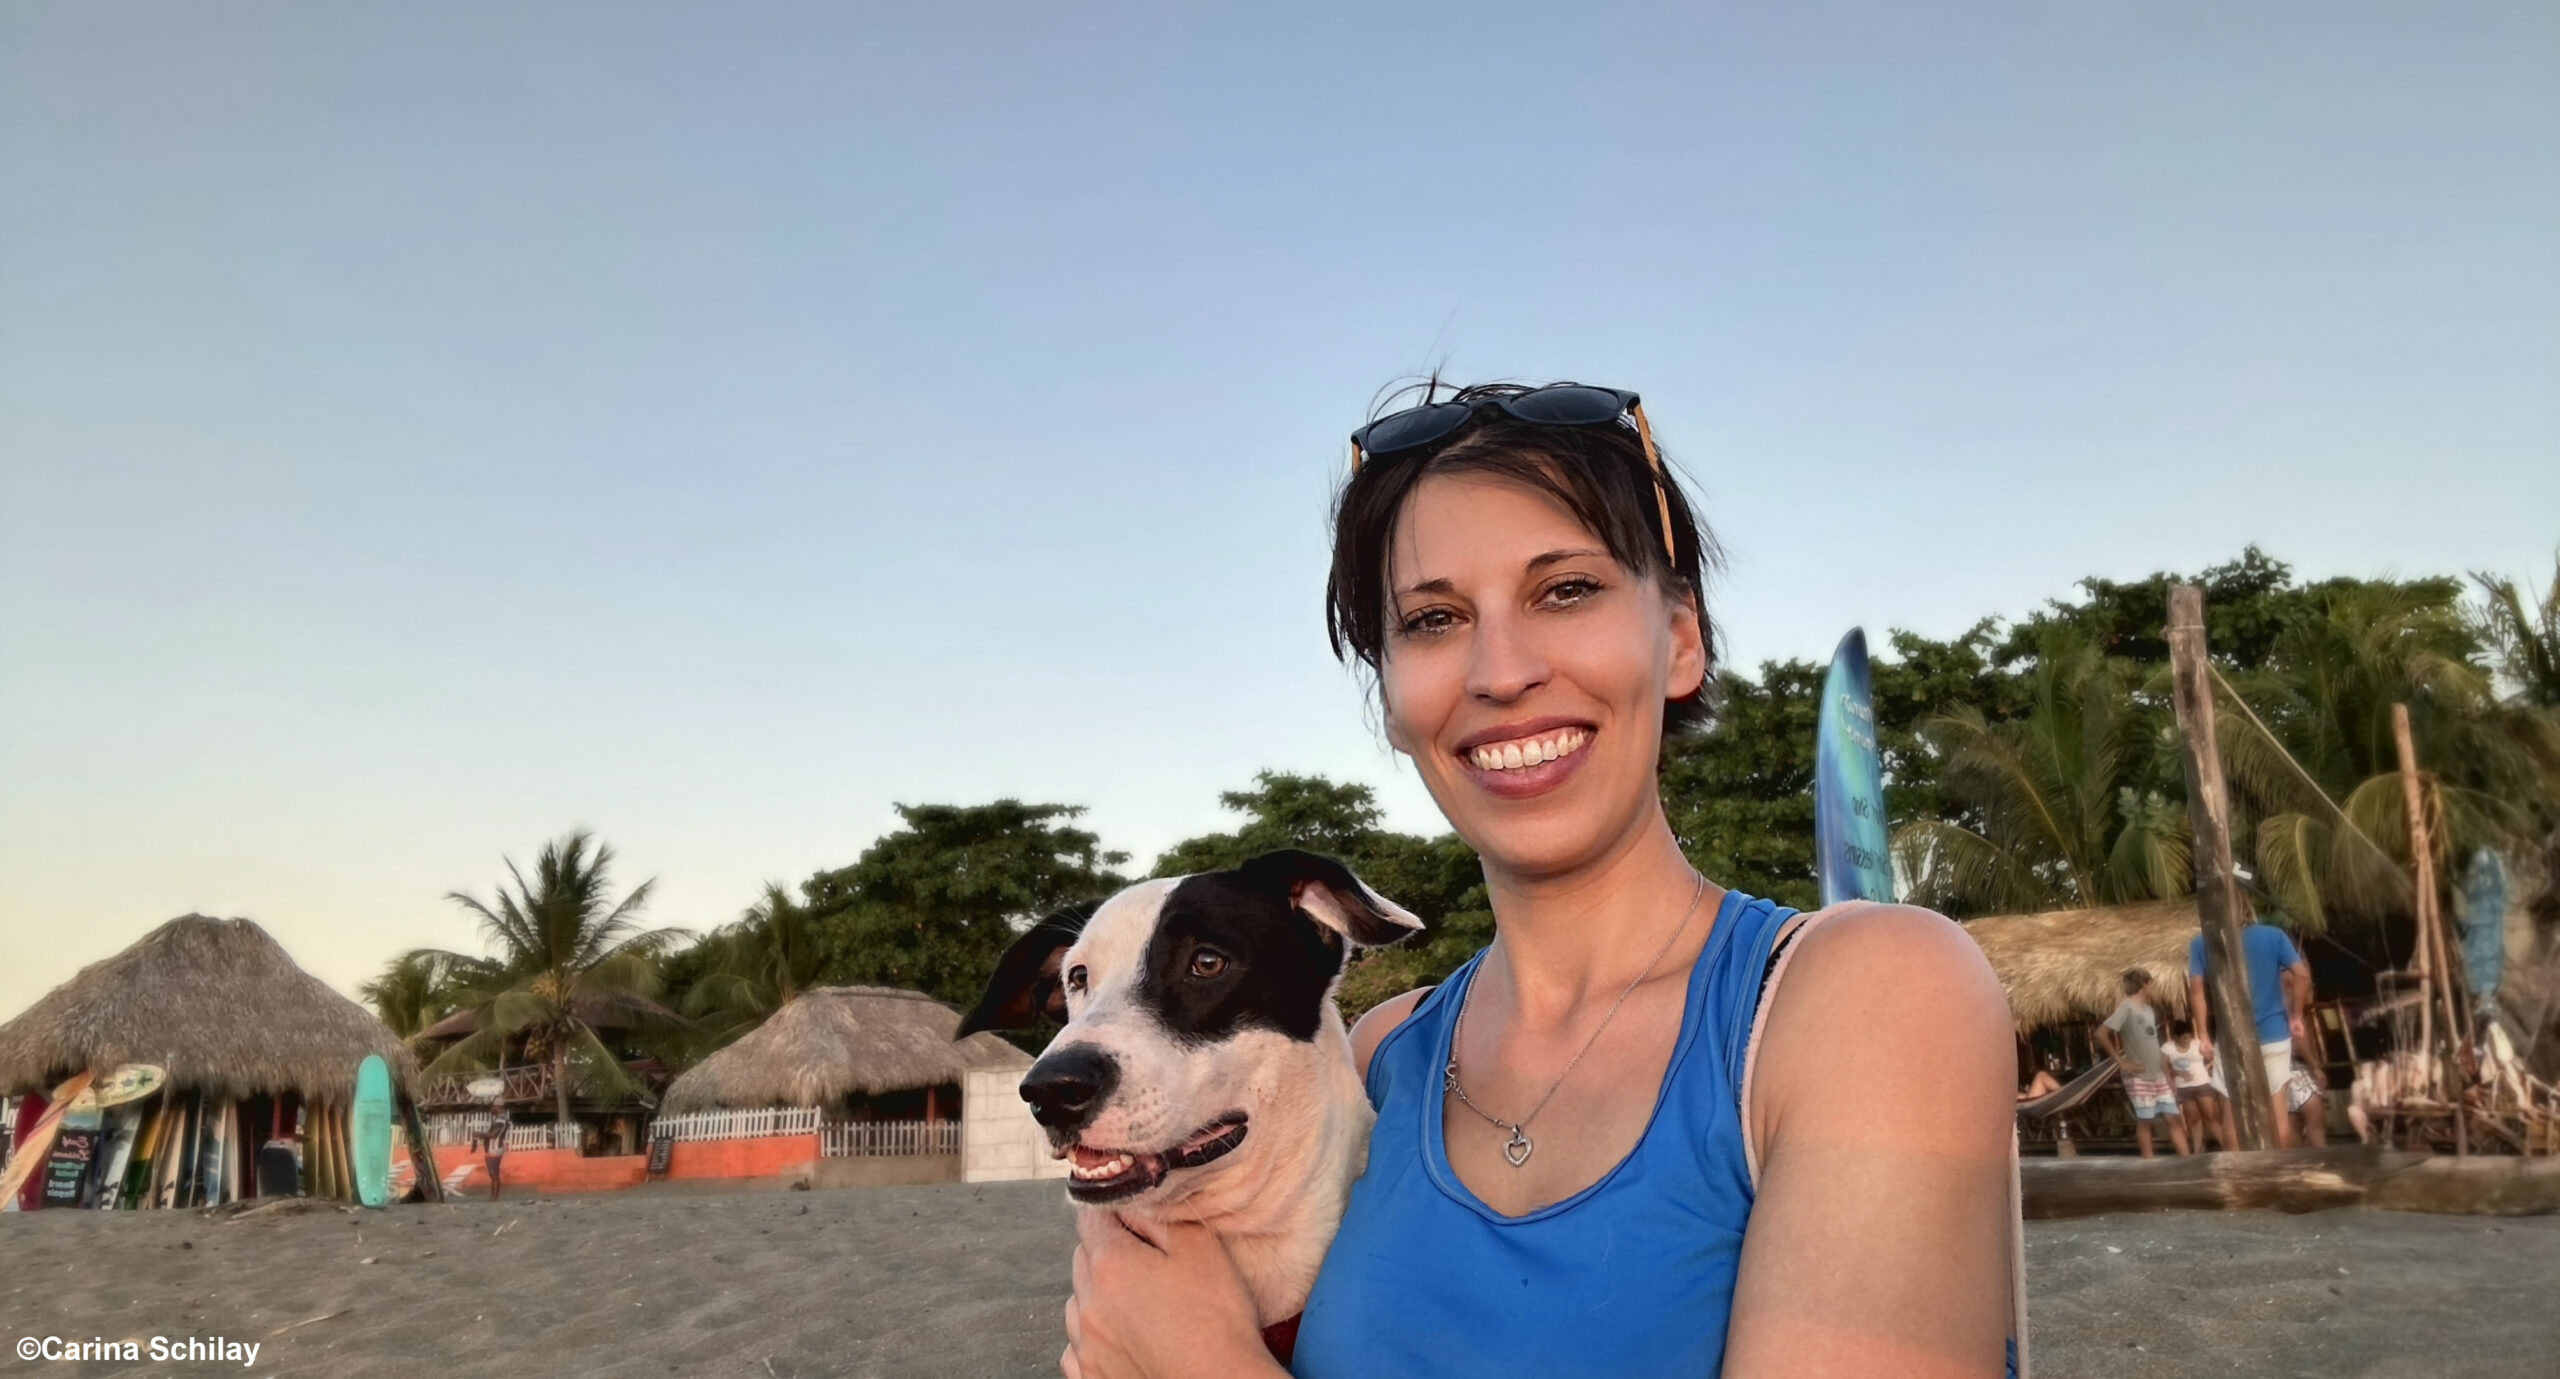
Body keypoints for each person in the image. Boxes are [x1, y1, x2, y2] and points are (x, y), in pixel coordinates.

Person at [1057, 382, 2021, 1379]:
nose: (1501, 669)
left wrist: (1199, 1361)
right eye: (1433, 618)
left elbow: (1181, 1337)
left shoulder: (1872, 992)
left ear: (1681, 636)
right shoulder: (1379, 1057)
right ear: (1389, 695)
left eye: (1564, 589)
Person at [2186, 912, 2315, 1146]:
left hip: (2231, 1039)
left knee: (2233, 1114)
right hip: (2273, 1035)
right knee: (2279, 1115)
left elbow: (2196, 990)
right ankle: (2280, 1175)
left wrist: (2204, 1034)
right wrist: (2296, 1015)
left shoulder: (2200, 942)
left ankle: (2237, 1179)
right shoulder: (2274, 935)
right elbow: (2302, 974)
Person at [2094, 969, 2188, 1158]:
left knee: (2174, 1118)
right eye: (2151, 984)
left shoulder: (2149, 1010)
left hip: (2158, 1074)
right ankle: (2149, 1165)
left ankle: (2187, 1160)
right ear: (2144, 984)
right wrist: (2121, 1061)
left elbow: (2153, 1043)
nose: (2153, 988)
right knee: (2146, 1121)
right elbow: (2100, 1034)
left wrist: (2167, 1073)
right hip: (2139, 1075)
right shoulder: (2126, 1007)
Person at [2163, 1017, 2237, 1152]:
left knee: (2211, 1117)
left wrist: (2206, 1058)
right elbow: (2163, 1066)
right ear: (2175, 1037)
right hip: (2183, 1087)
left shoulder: (2197, 1044)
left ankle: (2227, 1147)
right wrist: (2174, 1073)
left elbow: (2212, 1057)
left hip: (2202, 1084)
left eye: (2188, 1038)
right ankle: (2197, 1150)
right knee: (2194, 1120)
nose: (2186, 1041)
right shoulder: (2168, 1048)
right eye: (2183, 1038)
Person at [481, 1111, 509, 1202]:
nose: (491, 1109)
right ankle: (493, 1196)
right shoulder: (500, 1118)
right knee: (493, 1174)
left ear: (498, 1107)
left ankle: (494, 1197)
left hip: (494, 1149)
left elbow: (493, 1135)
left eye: (493, 1107)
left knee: (494, 1174)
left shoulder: (500, 1119)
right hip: (493, 1149)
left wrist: (479, 1133)